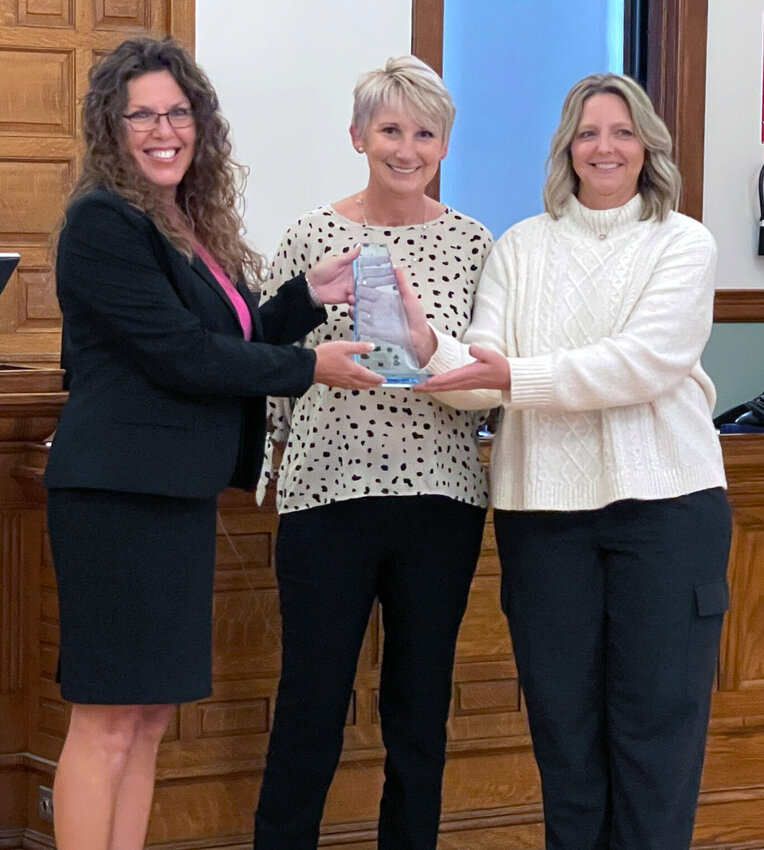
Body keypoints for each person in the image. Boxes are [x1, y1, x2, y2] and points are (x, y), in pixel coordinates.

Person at [43, 36, 382, 850]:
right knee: (106, 719)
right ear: (112, 129)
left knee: (149, 716)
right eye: (144, 116)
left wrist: (305, 298)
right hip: (118, 499)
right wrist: (311, 367)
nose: (165, 130)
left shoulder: (180, 223)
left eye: (179, 112)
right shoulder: (103, 220)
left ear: (200, 124)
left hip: (173, 495)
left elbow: (227, 341)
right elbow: (181, 356)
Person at [409, 73, 731, 849]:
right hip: (543, 519)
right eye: (588, 133)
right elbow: (481, 372)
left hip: (668, 511)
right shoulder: (521, 246)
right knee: (565, 733)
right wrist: (426, 350)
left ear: (648, 146)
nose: (605, 147)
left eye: (622, 131)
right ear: (567, 149)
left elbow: (643, 364)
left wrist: (513, 375)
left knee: (657, 731)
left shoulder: (684, 242)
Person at [253, 56, 492, 850]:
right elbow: (263, 347)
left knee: (418, 714)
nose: (407, 147)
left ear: (445, 146)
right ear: (359, 136)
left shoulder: (472, 243)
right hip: (326, 499)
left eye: (425, 133)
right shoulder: (312, 234)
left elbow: (487, 372)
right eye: (391, 129)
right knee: (309, 708)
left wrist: (432, 350)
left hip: (441, 502)